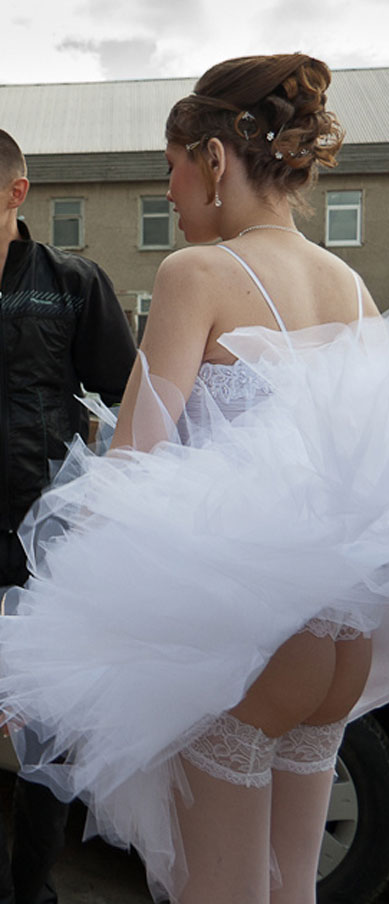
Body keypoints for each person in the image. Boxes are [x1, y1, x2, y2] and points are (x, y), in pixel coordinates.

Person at [2, 53, 389, 904]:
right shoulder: (350, 287)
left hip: (249, 638)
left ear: (214, 159)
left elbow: (131, 471)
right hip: (340, 641)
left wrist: (47, 648)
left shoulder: (195, 275)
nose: (166, 193)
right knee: (294, 890)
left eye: (170, 169)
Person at [0, 130, 136, 904]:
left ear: (15, 193)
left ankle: (33, 887)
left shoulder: (72, 284)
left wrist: (103, 509)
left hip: (43, 542)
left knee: (44, 727)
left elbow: (131, 402)